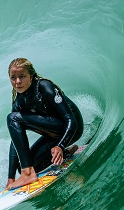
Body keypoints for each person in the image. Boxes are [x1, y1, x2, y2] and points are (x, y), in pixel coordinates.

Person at [6, 58, 83, 189]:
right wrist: (11, 177)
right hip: (53, 136)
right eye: (13, 77)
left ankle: (28, 173)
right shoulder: (18, 102)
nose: (17, 81)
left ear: (31, 76)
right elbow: (15, 142)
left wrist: (60, 146)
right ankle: (64, 155)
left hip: (71, 129)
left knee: (12, 118)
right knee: (25, 165)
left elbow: (71, 120)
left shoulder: (44, 87)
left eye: (22, 76)